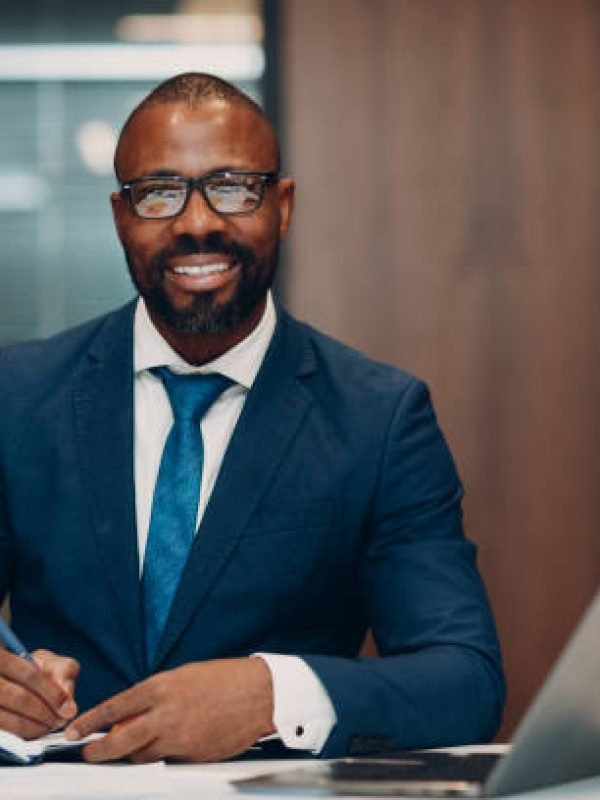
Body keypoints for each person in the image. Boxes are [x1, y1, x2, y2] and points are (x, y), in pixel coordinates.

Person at [0, 72, 504, 764]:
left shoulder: (379, 419)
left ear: (283, 206)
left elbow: (465, 680)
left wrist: (273, 693)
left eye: (233, 187)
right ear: (121, 216)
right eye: (159, 193)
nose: (198, 222)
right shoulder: (17, 396)